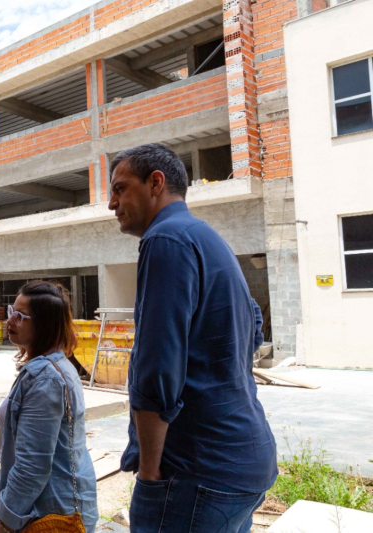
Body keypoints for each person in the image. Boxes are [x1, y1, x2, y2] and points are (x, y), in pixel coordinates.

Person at [107, 143, 276, 532]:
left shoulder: (165, 239)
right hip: (244, 460)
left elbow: (156, 370)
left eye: (120, 189)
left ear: (155, 183)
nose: (111, 204)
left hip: (198, 473)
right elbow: (251, 335)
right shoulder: (207, 239)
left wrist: (149, 474)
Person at [0, 280, 98, 533]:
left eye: (20, 316)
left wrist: (6, 521)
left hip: (49, 515)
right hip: (50, 505)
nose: (10, 321)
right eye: (12, 311)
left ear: (44, 325)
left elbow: (33, 467)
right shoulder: (50, 367)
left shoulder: (46, 378)